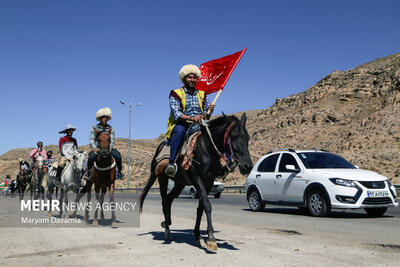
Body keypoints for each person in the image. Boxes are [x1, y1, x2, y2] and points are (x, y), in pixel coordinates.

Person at [164, 64, 215, 177]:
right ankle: (172, 163)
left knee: (215, 132)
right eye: (189, 77)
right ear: (184, 79)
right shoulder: (175, 93)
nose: (192, 80)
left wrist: (210, 110)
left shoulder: (202, 94)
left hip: (199, 124)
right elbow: (176, 113)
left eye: (194, 77)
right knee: (179, 132)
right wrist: (191, 118)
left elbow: (206, 116)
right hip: (182, 124)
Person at [86, 107, 124, 180]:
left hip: (108, 149)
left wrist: (109, 149)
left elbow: (112, 140)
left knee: (118, 156)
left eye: (106, 117)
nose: (105, 118)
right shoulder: (94, 128)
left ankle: (119, 172)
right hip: (97, 149)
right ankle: (88, 172)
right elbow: (91, 140)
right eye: (103, 117)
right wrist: (94, 149)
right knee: (91, 157)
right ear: (100, 118)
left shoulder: (110, 128)